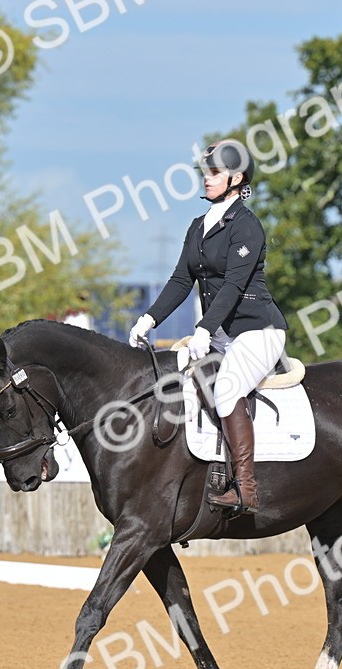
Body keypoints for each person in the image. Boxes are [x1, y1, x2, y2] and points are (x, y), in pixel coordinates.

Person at [129, 139, 288, 514]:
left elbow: (233, 285)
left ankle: (246, 488)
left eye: (215, 173)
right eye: (206, 172)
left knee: (228, 390)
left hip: (258, 331)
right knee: (174, 379)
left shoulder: (247, 226)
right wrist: (149, 318)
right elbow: (180, 281)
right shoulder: (198, 226)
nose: (207, 178)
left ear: (237, 178)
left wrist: (203, 328)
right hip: (220, 334)